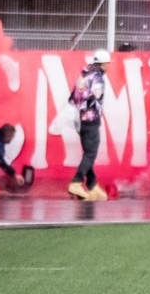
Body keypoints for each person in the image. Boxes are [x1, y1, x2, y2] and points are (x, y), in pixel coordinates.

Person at [67, 49, 110, 201]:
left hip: (79, 119)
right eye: (107, 64)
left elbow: (72, 99)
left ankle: (92, 186)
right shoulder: (97, 77)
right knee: (91, 152)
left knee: (87, 153)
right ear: (104, 64)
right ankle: (77, 182)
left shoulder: (83, 76)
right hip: (91, 118)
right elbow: (97, 95)